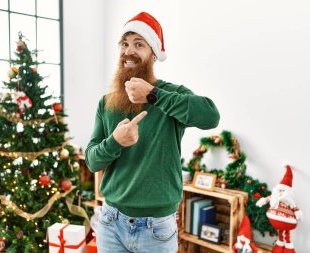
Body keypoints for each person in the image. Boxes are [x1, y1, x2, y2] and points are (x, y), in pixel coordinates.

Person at [85, 12, 220, 253]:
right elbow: (93, 162)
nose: (129, 51)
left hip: (156, 228)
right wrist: (115, 141)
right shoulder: (106, 103)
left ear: (154, 54)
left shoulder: (171, 95)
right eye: (124, 44)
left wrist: (153, 95)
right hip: (110, 222)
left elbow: (210, 116)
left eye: (139, 44)